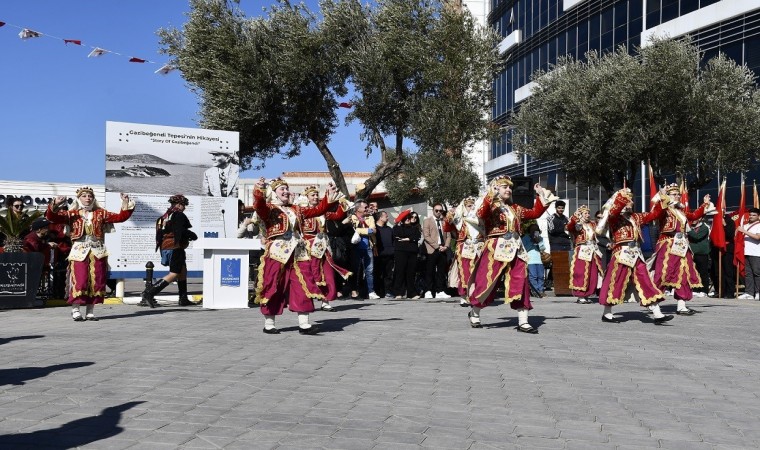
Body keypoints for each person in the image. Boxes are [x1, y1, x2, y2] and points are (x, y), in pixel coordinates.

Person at [247, 176, 339, 334]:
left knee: (303, 284)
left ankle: (304, 324)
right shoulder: (269, 208)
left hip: (298, 252)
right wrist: (259, 190)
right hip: (277, 251)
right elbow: (259, 205)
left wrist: (328, 196)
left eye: (286, 188)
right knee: (273, 285)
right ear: (274, 193)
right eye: (282, 189)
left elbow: (317, 210)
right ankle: (269, 323)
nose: (286, 191)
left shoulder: (296, 209)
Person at [466, 175, 556, 333]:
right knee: (487, 282)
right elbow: (480, 214)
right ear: (496, 188)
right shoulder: (490, 205)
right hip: (495, 247)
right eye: (504, 186)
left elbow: (535, 213)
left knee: (520, 280)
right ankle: (475, 311)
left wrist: (541, 194)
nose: (508, 189)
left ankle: (523, 320)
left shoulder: (515, 208)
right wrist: (489, 196)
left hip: (516, 247)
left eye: (510, 187)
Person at [46, 187, 135, 321]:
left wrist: (125, 202)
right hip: (79, 251)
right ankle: (75, 309)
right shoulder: (71, 214)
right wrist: (56, 203)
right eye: (84, 196)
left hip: (97, 251)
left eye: (90, 196)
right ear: (79, 198)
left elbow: (120, 217)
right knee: (80, 280)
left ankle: (90, 310)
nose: (88, 198)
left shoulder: (101, 213)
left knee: (96, 281)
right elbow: (51, 217)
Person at [597, 188, 671, 325]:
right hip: (621, 253)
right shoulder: (614, 217)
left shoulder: (636, 217)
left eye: (631, 199)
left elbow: (654, 214)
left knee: (646, 281)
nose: (630, 202)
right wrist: (622, 195)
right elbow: (615, 209)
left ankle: (657, 313)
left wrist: (662, 198)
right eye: (628, 200)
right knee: (615, 281)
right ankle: (607, 313)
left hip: (636, 254)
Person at [651, 183, 711, 315]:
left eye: (678, 194)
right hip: (667, 244)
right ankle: (653, 301)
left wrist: (704, 204)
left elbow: (694, 216)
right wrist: (662, 196)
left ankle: (681, 305)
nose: (677, 196)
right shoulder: (664, 210)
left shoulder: (681, 211)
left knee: (684, 273)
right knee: (664, 273)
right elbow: (656, 211)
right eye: (674, 194)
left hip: (682, 245)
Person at [300, 184, 351, 311]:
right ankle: (306, 300)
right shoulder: (301, 211)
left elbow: (338, 216)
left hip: (322, 247)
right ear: (306, 197)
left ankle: (325, 301)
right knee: (309, 275)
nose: (316, 197)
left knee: (327, 273)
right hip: (307, 248)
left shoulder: (323, 212)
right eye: (313, 195)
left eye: (317, 194)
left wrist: (342, 202)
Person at [141, 194, 198, 307]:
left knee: (182, 271)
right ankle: (150, 293)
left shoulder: (165, 216)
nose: (184, 207)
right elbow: (181, 230)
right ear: (178, 204)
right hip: (175, 247)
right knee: (174, 273)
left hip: (166, 247)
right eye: (183, 205)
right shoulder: (178, 215)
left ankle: (183, 299)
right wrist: (193, 235)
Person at [566, 205, 604, 304]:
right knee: (582, 272)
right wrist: (575, 217)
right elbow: (569, 227)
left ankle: (587, 294)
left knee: (592, 272)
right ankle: (580, 295)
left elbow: (600, 229)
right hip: (582, 249)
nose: (588, 215)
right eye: (585, 213)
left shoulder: (592, 224)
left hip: (593, 249)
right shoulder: (578, 224)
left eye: (588, 213)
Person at [451, 197, 484, 306]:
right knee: (465, 272)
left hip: (479, 248)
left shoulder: (479, 219)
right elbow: (449, 228)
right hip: (465, 247)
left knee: (478, 272)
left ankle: (475, 294)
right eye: (469, 206)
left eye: (473, 205)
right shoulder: (460, 219)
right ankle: (464, 295)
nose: (472, 208)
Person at [349, 199, 380, 300]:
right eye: (365, 207)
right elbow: (354, 229)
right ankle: (355, 291)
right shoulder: (352, 217)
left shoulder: (370, 217)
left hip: (368, 247)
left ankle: (371, 291)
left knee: (369, 270)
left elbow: (374, 230)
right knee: (356, 270)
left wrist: (363, 231)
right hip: (356, 248)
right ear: (358, 209)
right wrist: (367, 230)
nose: (368, 209)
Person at [422, 204, 452, 299]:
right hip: (432, 249)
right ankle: (428, 290)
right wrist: (436, 246)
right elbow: (426, 236)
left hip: (443, 249)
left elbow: (448, 236)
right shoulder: (427, 221)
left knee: (441, 271)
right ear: (433, 211)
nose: (439, 212)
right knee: (429, 271)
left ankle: (440, 290)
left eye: (440, 211)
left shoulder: (444, 221)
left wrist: (446, 246)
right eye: (437, 210)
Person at [392, 209, 421, 299]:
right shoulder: (397, 228)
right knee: (400, 272)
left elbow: (417, 236)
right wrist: (410, 238)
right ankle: (398, 292)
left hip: (412, 252)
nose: (408, 219)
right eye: (406, 218)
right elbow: (398, 235)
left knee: (411, 273)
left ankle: (411, 293)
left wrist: (408, 239)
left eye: (409, 218)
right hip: (400, 252)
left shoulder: (415, 228)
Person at [737, 207, 760, 300]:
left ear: (758, 216)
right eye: (750, 215)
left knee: (757, 273)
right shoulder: (745, 225)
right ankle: (749, 293)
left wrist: (744, 231)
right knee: (748, 274)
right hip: (746, 252)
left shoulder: (758, 225)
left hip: (756, 253)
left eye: (754, 215)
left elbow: (757, 237)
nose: (751, 216)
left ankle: (758, 292)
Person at [521, 223, 547, 298]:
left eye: (536, 229)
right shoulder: (525, 238)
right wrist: (532, 242)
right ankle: (535, 291)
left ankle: (541, 290)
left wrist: (538, 241)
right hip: (530, 260)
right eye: (532, 229)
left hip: (539, 260)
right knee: (533, 276)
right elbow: (524, 249)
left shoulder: (540, 238)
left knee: (541, 276)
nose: (534, 231)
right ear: (529, 230)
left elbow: (542, 249)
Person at [373, 210, 395, 298]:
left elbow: (393, 241)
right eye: (386, 216)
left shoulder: (389, 229)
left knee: (388, 275)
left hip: (389, 255)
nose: (388, 217)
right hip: (378, 256)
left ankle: (388, 292)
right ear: (380, 218)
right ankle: (378, 292)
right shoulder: (375, 229)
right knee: (378, 274)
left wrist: (393, 251)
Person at [687, 217, 711, 298]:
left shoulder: (704, 227)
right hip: (692, 253)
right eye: (692, 218)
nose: (693, 220)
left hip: (702, 253)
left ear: (700, 219)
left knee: (703, 272)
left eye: (695, 218)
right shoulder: (690, 227)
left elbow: (697, 237)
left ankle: (704, 290)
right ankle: (695, 289)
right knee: (693, 272)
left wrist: (688, 230)